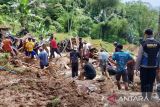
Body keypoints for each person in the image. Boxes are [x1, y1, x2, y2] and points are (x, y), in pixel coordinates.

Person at [135, 29, 160, 100]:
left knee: (143, 81)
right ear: (152, 34)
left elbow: (139, 56)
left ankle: (143, 97)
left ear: (146, 34)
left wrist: (136, 68)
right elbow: (159, 56)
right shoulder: (158, 43)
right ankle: (149, 97)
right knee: (151, 82)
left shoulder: (143, 43)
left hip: (144, 66)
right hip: (153, 66)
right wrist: (158, 66)